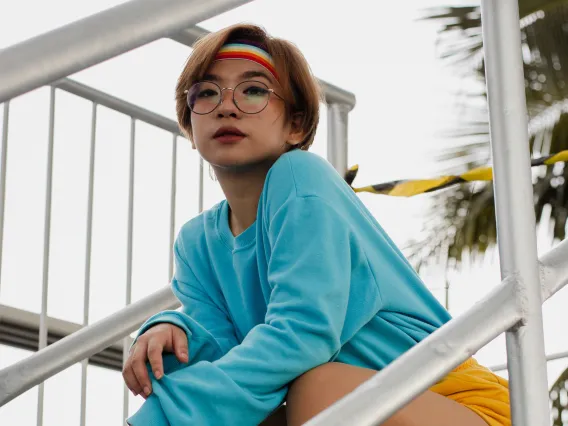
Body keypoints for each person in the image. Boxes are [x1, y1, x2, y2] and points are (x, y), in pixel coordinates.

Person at [122, 23, 510, 426]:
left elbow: (305, 334)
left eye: (253, 89)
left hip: (461, 405)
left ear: (297, 125)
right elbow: (228, 361)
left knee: (314, 389)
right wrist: (176, 328)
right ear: (189, 122)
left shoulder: (300, 177)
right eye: (206, 92)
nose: (227, 106)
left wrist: (156, 420)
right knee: (230, 389)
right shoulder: (196, 243)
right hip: (349, 404)